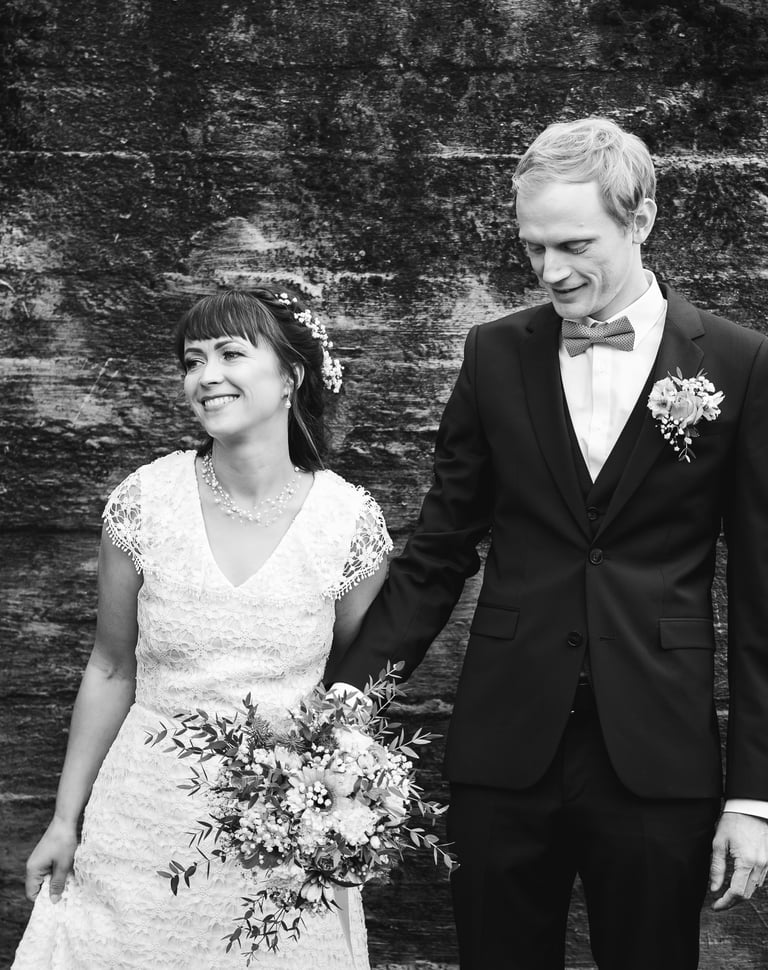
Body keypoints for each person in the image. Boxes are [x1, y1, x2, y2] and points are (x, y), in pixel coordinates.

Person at [327, 117, 768, 969]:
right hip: (503, 748)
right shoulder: (494, 354)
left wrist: (754, 796)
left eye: (574, 245)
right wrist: (348, 696)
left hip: (659, 755)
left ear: (640, 220)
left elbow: (760, 597)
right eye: (534, 247)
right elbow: (439, 552)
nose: (551, 270)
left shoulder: (739, 364)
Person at [13, 287, 391, 969]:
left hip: (279, 837)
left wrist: (335, 808)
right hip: (140, 826)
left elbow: (351, 691)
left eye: (230, 354)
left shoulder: (348, 524)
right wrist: (65, 821)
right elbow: (110, 667)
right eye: (193, 361)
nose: (205, 376)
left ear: (291, 376)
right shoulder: (145, 502)